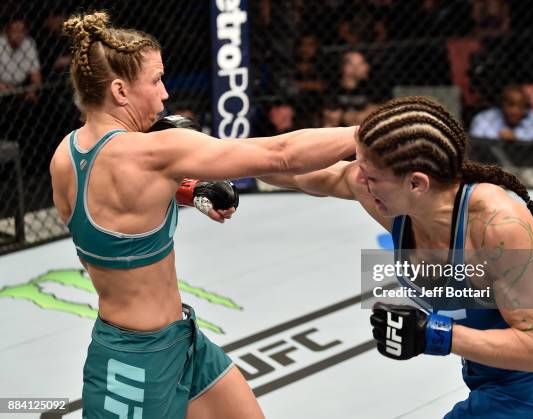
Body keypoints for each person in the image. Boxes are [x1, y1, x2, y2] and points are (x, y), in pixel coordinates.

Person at [49, 12, 355, 419]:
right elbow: (279, 154)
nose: (165, 94)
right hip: (134, 362)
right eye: (156, 80)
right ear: (120, 90)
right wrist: (366, 132)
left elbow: (111, 217)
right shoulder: (153, 152)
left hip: (182, 338)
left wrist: (190, 191)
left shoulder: (65, 157)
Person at [260, 96, 533, 418]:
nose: (360, 182)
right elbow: (288, 166)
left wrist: (433, 333)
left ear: (416, 183)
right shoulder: (395, 200)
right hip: (489, 381)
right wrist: (222, 169)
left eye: (372, 177)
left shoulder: (498, 226)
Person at [469, 84, 533, 141]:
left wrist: (517, 138)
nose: (515, 111)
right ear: (501, 104)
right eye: (510, 105)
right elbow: (476, 144)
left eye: (521, 106)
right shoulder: (483, 119)